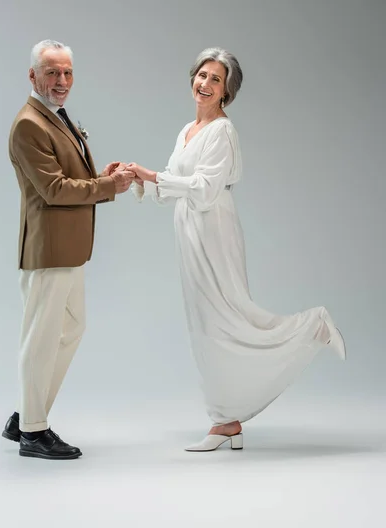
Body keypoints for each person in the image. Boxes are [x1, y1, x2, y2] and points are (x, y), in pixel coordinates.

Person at [126, 47, 346, 452]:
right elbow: (171, 187)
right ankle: (227, 421)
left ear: (227, 92)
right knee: (205, 324)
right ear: (192, 78)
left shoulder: (223, 131)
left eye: (215, 80)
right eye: (202, 75)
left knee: (225, 318)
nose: (205, 84)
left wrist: (153, 175)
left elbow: (206, 190)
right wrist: (135, 176)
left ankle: (311, 326)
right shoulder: (186, 130)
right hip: (189, 231)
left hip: (213, 228)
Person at [3, 39, 134, 460]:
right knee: (40, 339)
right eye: (52, 72)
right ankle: (33, 432)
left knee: (70, 330)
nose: (61, 81)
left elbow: (67, 175)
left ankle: (25, 414)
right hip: (49, 250)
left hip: (69, 249)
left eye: (67, 73)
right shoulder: (29, 123)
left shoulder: (51, 116)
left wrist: (100, 177)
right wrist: (106, 188)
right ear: (32, 76)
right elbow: (54, 189)